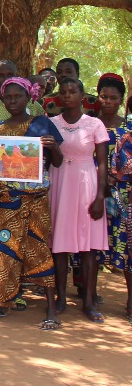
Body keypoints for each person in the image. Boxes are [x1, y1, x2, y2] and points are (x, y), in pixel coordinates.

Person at [0, 76, 64, 329]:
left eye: (18, 96)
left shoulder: (41, 124)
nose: (13, 101)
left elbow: (57, 162)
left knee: (38, 250)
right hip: (2, 201)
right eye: (9, 97)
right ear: (3, 99)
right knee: (1, 250)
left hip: (33, 201)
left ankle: (50, 308)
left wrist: (54, 148)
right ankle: (2, 301)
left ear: (29, 98)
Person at [48, 77, 109, 323]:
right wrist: (52, 147)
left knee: (89, 248)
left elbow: (102, 162)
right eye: (63, 92)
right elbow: (52, 161)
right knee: (60, 246)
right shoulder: (51, 124)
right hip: (60, 183)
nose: (68, 95)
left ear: (82, 96)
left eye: (73, 91)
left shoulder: (95, 124)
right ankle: (61, 298)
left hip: (87, 184)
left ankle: (88, 301)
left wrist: (100, 196)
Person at [97, 74, 132, 323]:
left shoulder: (128, 129)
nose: (107, 101)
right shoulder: (90, 125)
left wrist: (115, 178)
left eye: (113, 98)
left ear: (121, 100)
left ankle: (130, 301)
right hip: (94, 194)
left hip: (123, 196)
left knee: (127, 247)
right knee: (92, 246)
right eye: (104, 97)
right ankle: (89, 296)